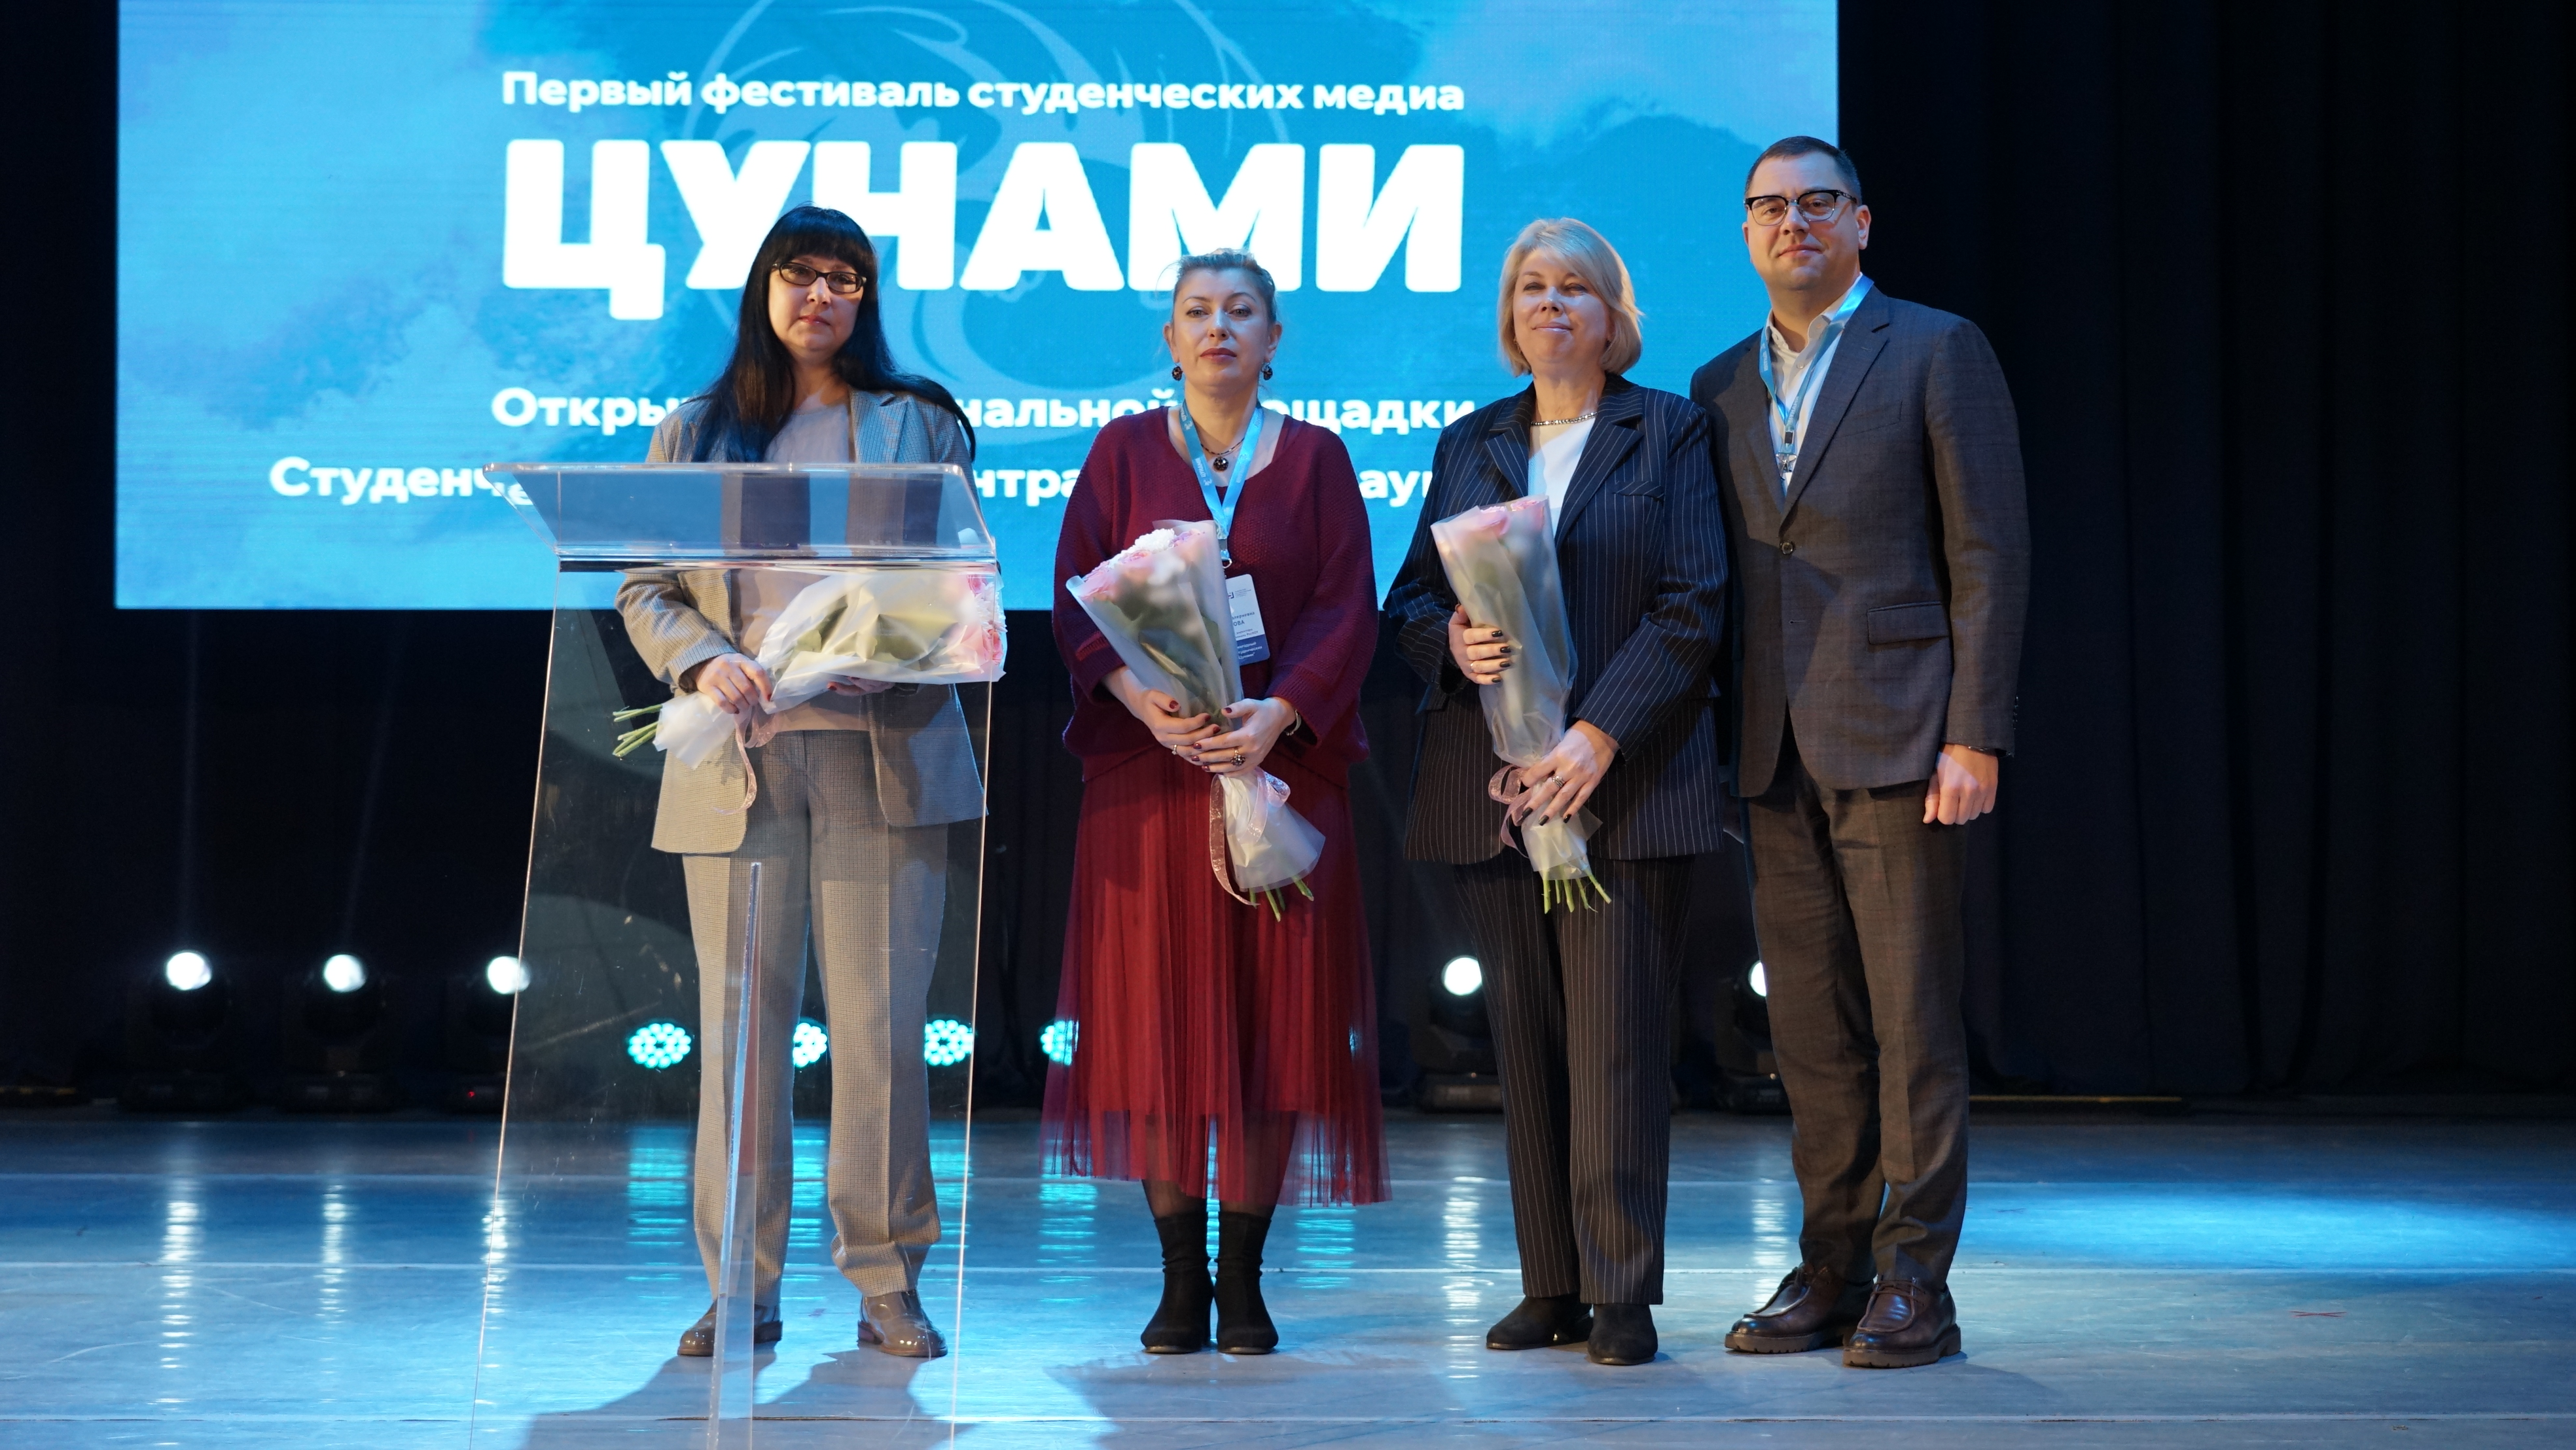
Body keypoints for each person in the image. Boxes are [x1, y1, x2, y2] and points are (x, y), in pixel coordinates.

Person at [617, 205, 983, 1361]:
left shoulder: (919, 421)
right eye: (800, 273)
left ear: (867, 299)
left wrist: (897, 651)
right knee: (739, 1036)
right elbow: (644, 586)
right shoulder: (694, 431)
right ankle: (741, 1288)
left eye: (846, 278)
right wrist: (702, 659)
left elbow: (962, 582)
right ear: (762, 289)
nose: (821, 295)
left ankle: (886, 1281)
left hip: (885, 751)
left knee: (880, 1030)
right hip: (741, 759)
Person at [1689, 136, 2030, 1370]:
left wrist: (1975, 729)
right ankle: (1830, 1264)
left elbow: (1987, 551)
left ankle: (1915, 1278)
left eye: (1817, 203)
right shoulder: (1718, 382)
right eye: (1769, 207)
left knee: (1911, 1020)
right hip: (1771, 744)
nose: (1794, 223)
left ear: (1862, 222)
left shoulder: (1936, 348)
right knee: (1811, 1033)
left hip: (1901, 734)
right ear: (1746, 233)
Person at [1385, 219, 1730, 1366]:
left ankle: (1621, 1289)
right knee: (1524, 1044)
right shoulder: (1472, 440)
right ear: (1510, 316)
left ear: (1613, 314)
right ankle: (1552, 1282)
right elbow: (1410, 602)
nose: (1551, 304)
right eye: (1532, 287)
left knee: (1617, 1042)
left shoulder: (1669, 430)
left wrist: (1595, 738)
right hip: (1494, 788)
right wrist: (1451, 644)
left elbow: (1693, 604)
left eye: (1575, 286)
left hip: (1623, 784)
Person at [1046, 247, 1387, 1356]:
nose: (1219, 328)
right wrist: (1141, 701)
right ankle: (1178, 1283)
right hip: (1152, 778)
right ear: (1170, 337)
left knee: (1274, 1029)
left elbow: (1347, 608)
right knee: (1158, 1029)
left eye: (1242, 311)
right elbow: (1076, 602)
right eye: (1198, 311)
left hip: (1283, 771)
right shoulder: (1122, 451)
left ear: (1274, 339)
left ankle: (1243, 1280)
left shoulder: (1320, 458)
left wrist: (1279, 713)